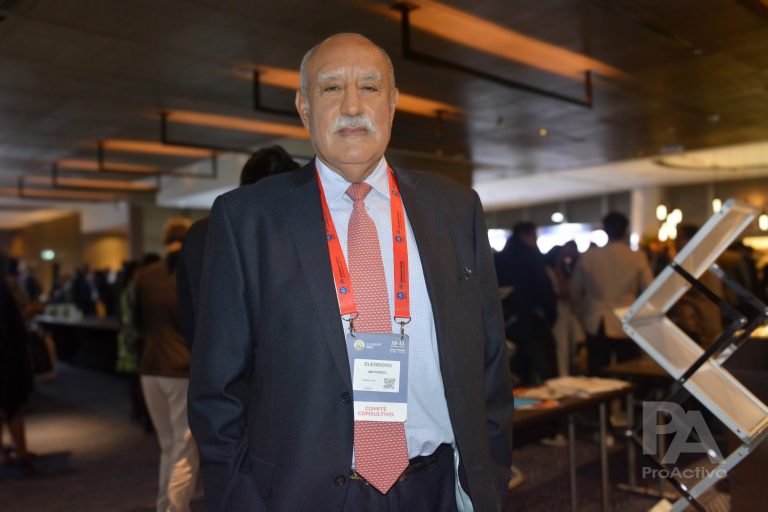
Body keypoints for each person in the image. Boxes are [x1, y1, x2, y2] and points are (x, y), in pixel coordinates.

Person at [189, 33, 514, 512]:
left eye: (369, 87)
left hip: (438, 489)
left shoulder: (455, 209)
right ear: (304, 108)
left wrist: (492, 478)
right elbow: (217, 392)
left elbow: (489, 362)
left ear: (393, 103)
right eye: (331, 88)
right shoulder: (248, 220)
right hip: (304, 497)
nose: (352, 106)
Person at [176, 145, 300, 346]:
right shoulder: (291, 230)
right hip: (276, 357)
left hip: (213, 353)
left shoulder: (199, 233)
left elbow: (187, 311)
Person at [135, 218, 198, 512]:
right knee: (184, 450)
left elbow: (137, 322)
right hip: (181, 368)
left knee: (169, 446)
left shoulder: (146, 275)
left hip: (150, 366)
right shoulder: (189, 271)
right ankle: (173, 509)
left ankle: (165, 506)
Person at [570, 212, 653, 374]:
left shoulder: (589, 256)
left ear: (605, 230)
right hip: (626, 318)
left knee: (598, 372)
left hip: (596, 319)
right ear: (626, 231)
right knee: (629, 371)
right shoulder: (637, 256)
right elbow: (649, 289)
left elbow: (575, 291)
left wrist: (582, 313)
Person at [495, 222, 558, 386]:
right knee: (546, 371)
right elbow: (544, 288)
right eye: (534, 235)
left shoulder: (498, 258)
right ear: (525, 235)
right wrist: (550, 315)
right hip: (532, 321)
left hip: (506, 323)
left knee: (517, 372)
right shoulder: (532, 256)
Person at [0, 252, 35, 476]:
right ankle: (21, 454)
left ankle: (5, 456)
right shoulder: (6, 286)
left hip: (8, 355)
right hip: (8, 358)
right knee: (14, 407)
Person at [668, 224, 723, 348]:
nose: (676, 243)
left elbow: (684, 296)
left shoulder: (693, 262)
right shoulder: (705, 257)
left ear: (690, 240)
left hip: (699, 325)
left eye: (680, 238)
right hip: (709, 323)